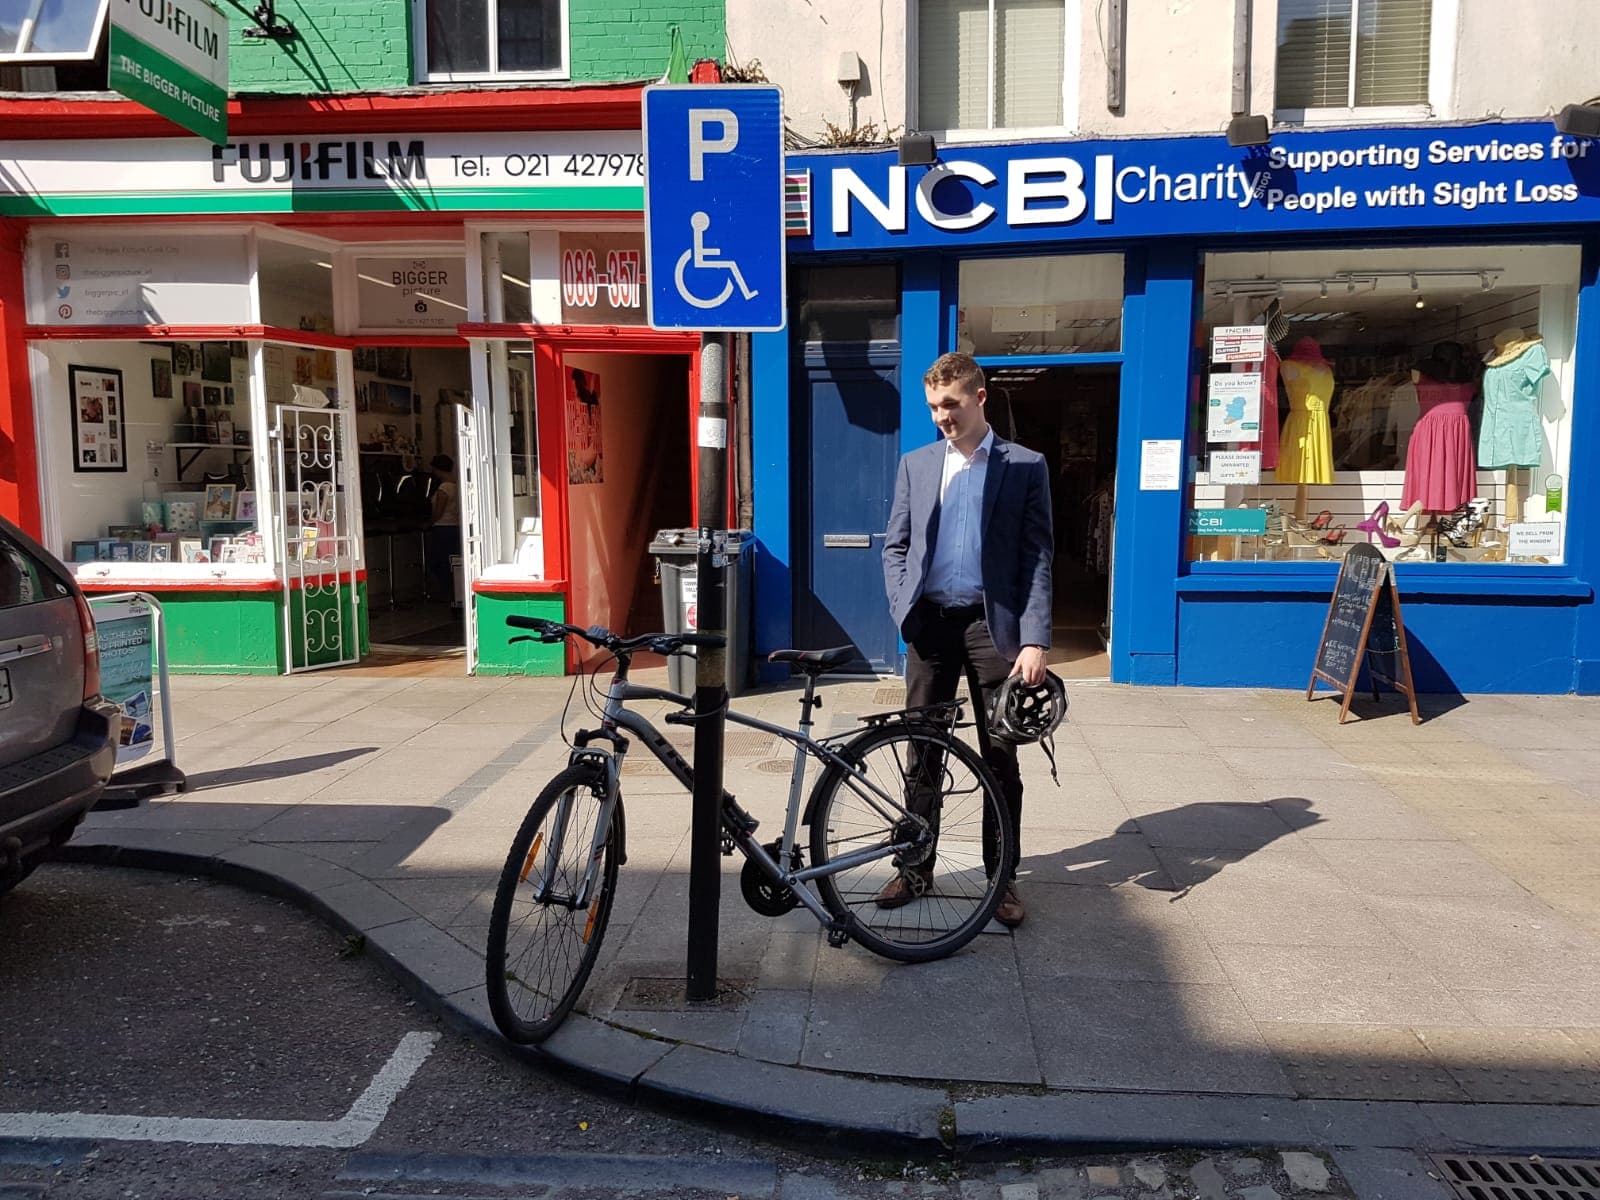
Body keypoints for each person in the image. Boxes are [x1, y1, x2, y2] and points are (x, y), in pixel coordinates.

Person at [881, 352, 1053, 929]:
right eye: (933, 407)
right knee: (921, 750)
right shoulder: (918, 463)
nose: (941, 417)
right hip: (929, 624)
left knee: (999, 757)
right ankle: (914, 865)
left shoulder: (1026, 465)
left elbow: (1036, 556)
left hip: (991, 628)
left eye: (950, 404)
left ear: (980, 397)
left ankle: (1000, 878)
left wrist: (1034, 639)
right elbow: (896, 545)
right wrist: (903, 608)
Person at [426, 454, 461, 604]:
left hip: (443, 528)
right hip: (454, 527)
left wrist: (429, 522)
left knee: (437, 562)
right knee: (452, 562)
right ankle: (455, 592)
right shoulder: (457, 486)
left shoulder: (443, 488)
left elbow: (439, 511)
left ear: (437, 469)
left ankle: (447, 592)